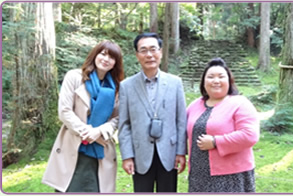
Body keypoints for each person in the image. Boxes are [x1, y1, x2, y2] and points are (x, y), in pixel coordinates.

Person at [42, 41, 124, 193]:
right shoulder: (74, 77)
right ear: (95, 55)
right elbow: (64, 110)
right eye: (103, 54)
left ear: (115, 63)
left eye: (112, 57)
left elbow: (118, 118)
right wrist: (86, 131)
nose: (106, 59)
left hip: (101, 147)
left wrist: (99, 131)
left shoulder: (117, 87)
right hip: (74, 144)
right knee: (70, 188)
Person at [118, 32, 187, 192]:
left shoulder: (175, 83)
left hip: (169, 152)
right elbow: (124, 124)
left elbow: (181, 120)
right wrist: (127, 155)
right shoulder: (127, 86)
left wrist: (180, 152)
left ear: (161, 52)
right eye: (143, 50)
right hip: (140, 153)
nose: (149, 55)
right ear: (137, 55)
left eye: (153, 49)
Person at [186, 57, 260, 192]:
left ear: (229, 81)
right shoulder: (195, 105)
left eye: (221, 77)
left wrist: (216, 142)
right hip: (199, 175)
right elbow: (181, 130)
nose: (216, 81)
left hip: (231, 176)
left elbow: (250, 135)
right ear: (203, 82)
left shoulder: (240, 103)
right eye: (210, 77)